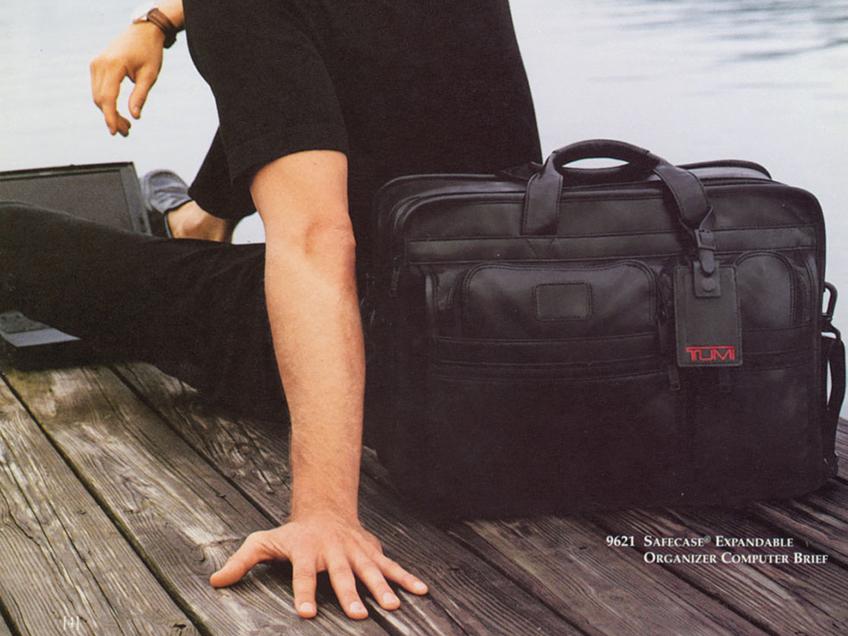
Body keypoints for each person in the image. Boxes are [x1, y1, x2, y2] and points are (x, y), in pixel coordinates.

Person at [2, 0, 541, 621]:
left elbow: (315, 244)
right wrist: (161, 20)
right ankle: (199, 216)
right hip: (521, 310)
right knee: (299, 70)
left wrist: (325, 513)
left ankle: (194, 222)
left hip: (387, 347)